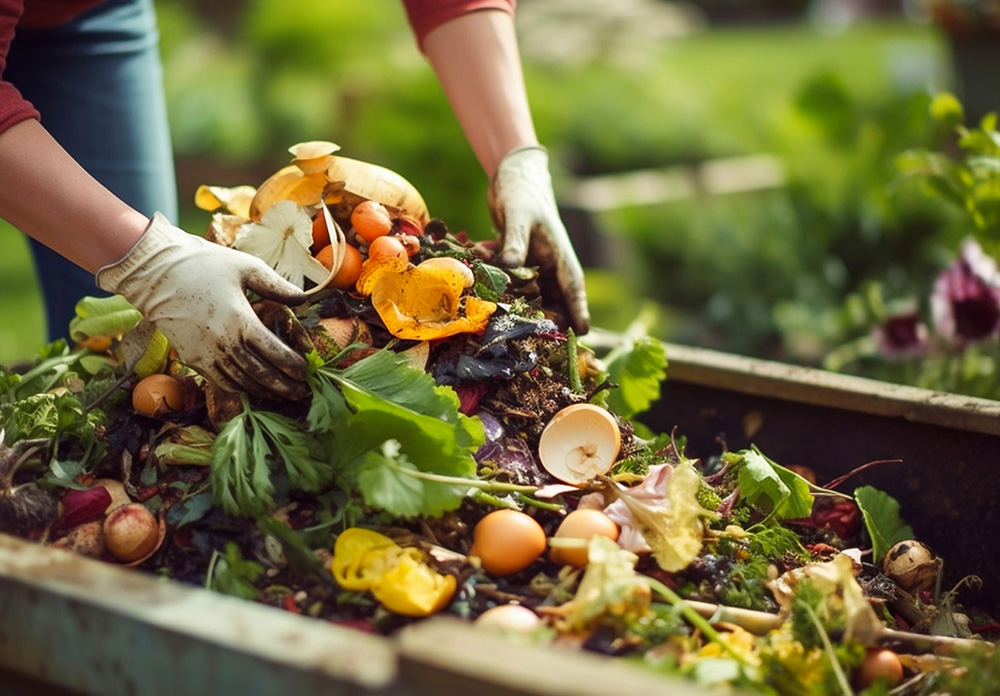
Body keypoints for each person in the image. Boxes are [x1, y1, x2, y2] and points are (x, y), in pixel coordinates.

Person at [0, 0, 590, 400]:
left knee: (139, 343)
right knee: (136, 291)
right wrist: (147, 259)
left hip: (90, 12)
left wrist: (516, 156)